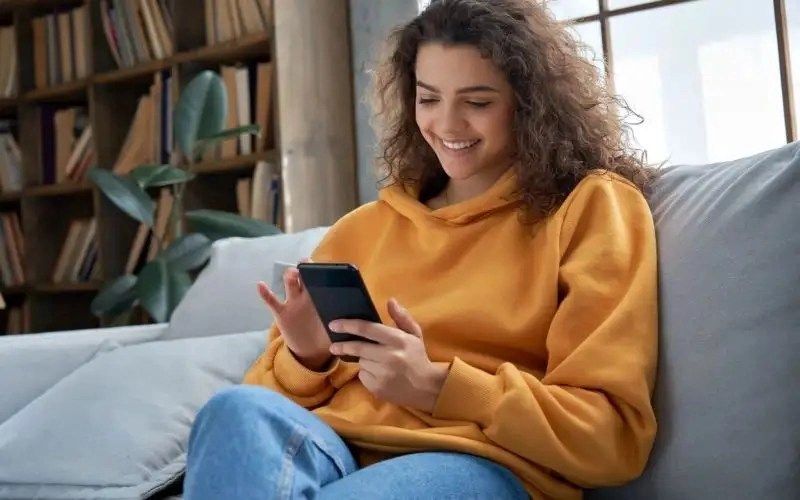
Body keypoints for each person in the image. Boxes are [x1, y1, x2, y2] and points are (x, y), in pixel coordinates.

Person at [183, 0, 659, 498]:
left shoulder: (589, 206)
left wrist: (436, 385)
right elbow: (256, 441)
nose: (447, 125)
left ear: (530, 103)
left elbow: (611, 438)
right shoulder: (361, 229)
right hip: (332, 448)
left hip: (476, 462)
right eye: (429, 98)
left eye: (477, 103)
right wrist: (306, 357)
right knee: (233, 409)